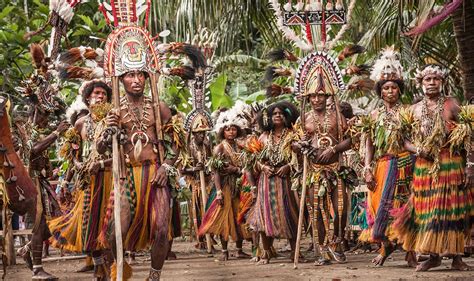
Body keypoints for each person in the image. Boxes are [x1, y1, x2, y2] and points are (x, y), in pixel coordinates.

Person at [392, 64, 474, 272]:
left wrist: (471, 165)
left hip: (451, 162)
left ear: (442, 82)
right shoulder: (413, 110)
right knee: (428, 210)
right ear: (421, 83)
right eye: (427, 80)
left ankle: (457, 257)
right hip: (424, 166)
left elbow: (470, 135)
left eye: (435, 79)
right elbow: (401, 139)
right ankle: (434, 256)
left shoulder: (452, 105)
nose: (431, 83)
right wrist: (418, 150)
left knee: (452, 210)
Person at [98, 70, 178, 280]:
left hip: (155, 173)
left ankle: (154, 276)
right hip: (126, 175)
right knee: (117, 230)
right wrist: (109, 130)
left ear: (147, 78)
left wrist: (166, 167)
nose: (136, 80)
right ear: (120, 80)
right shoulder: (114, 112)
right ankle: (118, 270)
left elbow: (176, 143)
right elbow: (99, 148)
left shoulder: (158, 108)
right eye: (130, 76)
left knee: (161, 229)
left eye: (140, 75)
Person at [48, 79, 113, 280]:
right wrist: (78, 167)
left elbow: (123, 154)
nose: (100, 96)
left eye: (103, 93)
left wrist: (101, 164)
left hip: (110, 176)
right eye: (96, 93)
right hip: (87, 181)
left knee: (109, 223)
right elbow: (72, 155)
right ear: (87, 98)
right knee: (89, 224)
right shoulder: (80, 123)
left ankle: (113, 265)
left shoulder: (113, 119)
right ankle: (98, 264)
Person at [359, 47, 416, 267]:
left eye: (393, 87)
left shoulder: (408, 112)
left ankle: (410, 251)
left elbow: (412, 139)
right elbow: (369, 143)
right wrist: (366, 168)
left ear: (399, 90)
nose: (390, 91)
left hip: (405, 163)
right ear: (380, 91)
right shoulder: (374, 115)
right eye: (386, 88)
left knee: (407, 207)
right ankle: (384, 249)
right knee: (380, 206)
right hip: (383, 166)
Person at [293, 61, 353, 265]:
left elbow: (350, 139)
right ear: (308, 98)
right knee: (316, 211)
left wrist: (334, 149)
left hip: (336, 170)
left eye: (320, 95)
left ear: (327, 96)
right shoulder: (304, 119)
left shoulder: (337, 116)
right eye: (313, 96)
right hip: (314, 172)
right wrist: (301, 146)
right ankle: (322, 250)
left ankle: (337, 242)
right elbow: (293, 143)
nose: (317, 99)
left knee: (341, 208)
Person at [247, 101, 300, 264]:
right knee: (264, 214)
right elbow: (253, 160)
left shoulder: (293, 135)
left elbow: (300, 157)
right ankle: (266, 251)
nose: (277, 116)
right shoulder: (263, 137)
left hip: (286, 180)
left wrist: (288, 167)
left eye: (281, 113)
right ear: (269, 117)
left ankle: (295, 251)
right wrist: (263, 167)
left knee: (289, 212)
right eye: (274, 114)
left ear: (287, 116)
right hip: (267, 180)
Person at [198, 108, 250, 261]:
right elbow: (215, 172)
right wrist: (219, 192)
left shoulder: (241, 147)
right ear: (222, 132)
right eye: (228, 130)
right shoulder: (219, 148)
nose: (231, 132)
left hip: (239, 186)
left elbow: (246, 167)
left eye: (234, 129)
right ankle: (224, 251)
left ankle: (239, 249)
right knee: (224, 219)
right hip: (225, 187)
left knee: (238, 217)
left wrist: (236, 169)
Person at [180, 115, 213, 250]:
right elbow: (182, 168)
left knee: (209, 209)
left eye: (204, 133)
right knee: (198, 210)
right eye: (199, 133)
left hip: (207, 182)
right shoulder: (187, 147)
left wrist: (206, 167)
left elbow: (211, 162)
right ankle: (201, 238)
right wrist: (194, 168)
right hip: (194, 183)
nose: (202, 135)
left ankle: (210, 238)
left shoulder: (207, 145)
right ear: (193, 134)